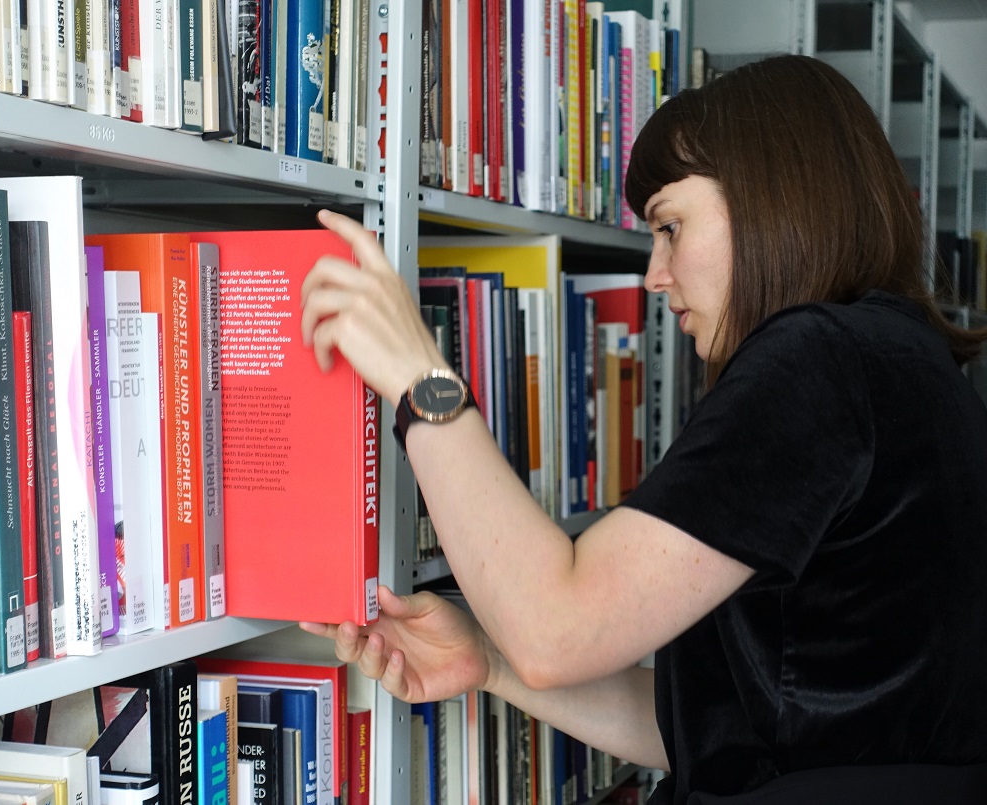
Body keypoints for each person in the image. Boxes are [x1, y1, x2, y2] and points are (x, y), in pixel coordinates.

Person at [298, 54, 987, 803]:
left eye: (670, 227)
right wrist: (490, 659)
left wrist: (420, 379)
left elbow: (554, 631)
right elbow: (725, 735)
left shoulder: (816, 361)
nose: (655, 275)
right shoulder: (904, 360)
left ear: (771, 202)